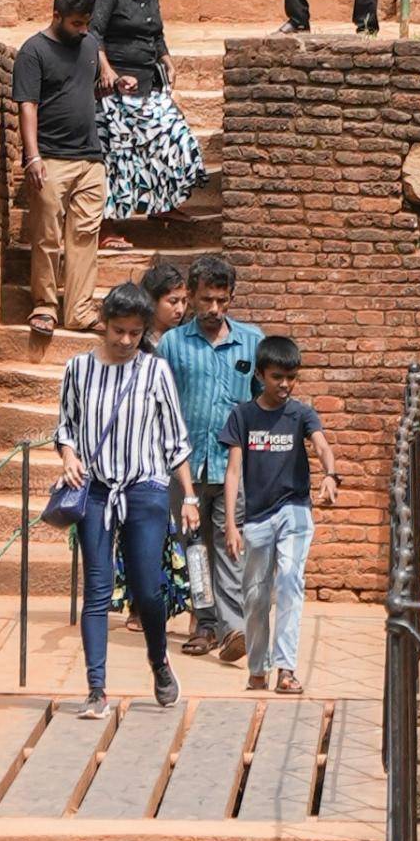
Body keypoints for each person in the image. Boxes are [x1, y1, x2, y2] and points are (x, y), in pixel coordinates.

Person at [53, 278, 192, 721]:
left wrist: (187, 495)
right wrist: (69, 455)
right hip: (94, 489)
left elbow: (175, 440)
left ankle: (158, 660)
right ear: (104, 326)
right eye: (119, 331)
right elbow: (66, 426)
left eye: (135, 333)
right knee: (96, 588)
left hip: (146, 488)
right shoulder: (77, 369)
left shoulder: (155, 371)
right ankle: (96, 688)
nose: (127, 340)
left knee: (147, 588)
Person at [158, 248, 262, 660]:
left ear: (231, 298)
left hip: (233, 467)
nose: (214, 309)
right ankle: (204, 624)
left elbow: (262, 401)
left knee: (229, 544)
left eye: (222, 301)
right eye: (206, 300)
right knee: (195, 548)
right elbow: (158, 403)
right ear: (192, 295)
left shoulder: (252, 342)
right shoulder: (172, 344)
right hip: (184, 468)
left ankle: (233, 626)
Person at [222, 330, 340, 695]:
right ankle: (258, 669)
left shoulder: (301, 413)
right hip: (256, 517)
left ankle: (286, 669)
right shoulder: (243, 416)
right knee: (256, 595)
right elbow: (233, 471)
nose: (285, 384)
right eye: (277, 377)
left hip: (295, 510)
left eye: (291, 377)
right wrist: (231, 523)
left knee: (290, 581)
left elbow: (321, 445)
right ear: (260, 375)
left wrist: (330, 475)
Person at [14, 0, 109, 347]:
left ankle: (80, 309)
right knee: (47, 235)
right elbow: (28, 105)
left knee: (85, 236)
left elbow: (96, 69)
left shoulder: (89, 43)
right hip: (50, 157)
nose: (82, 29)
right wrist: (32, 155)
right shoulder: (33, 51)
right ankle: (45, 306)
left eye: (86, 23)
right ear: (56, 15)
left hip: (91, 158)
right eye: (76, 23)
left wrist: (112, 77)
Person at [92, 0, 205, 234]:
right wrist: (106, 70)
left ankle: (164, 204)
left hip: (148, 82)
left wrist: (166, 59)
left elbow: (156, 33)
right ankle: (107, 226)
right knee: (118, 154)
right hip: (116, 86)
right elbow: (93, 33)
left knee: (174, 140)